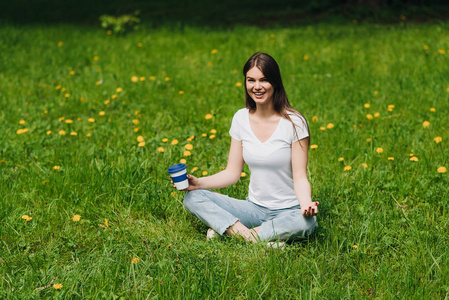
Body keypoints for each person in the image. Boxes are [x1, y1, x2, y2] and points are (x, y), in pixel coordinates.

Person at [175, 52, 319, 245]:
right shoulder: (240, 118)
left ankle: (233, 232)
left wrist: (306, 203)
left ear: (275, 82)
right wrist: (198, 183)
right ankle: (256, 237)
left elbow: (300, 177)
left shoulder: (294, 122)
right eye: (251, 80)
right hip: (254, 210)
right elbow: (232, 173)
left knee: (306, 223)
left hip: (288, 210)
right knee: (192, 198)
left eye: (264, 80)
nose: (257, 87)